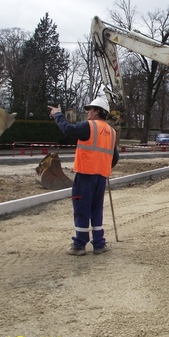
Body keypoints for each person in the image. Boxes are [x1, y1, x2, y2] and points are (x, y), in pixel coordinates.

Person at [48, 97, 119, 256]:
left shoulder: (89, 126)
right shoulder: (112, 132)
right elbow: (114, 158)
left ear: (98, 111)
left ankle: (79, 245)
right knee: (96, 209)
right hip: (101, 177)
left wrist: (58, 114)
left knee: (81, 209)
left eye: (90, 109)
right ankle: (99, 244)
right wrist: (102, 165)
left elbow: (67, 129)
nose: (87, 112)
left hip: (85, 175)